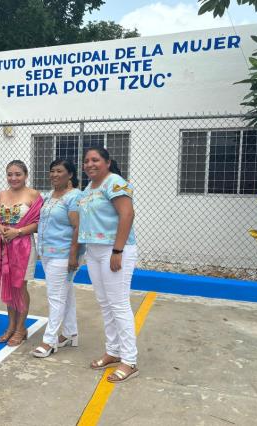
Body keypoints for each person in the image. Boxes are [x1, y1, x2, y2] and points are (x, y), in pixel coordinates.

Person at [78, 147, 139, 383]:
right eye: (86, 161)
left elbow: (127, 215)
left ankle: (129, 360)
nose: (90, 164)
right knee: (105, 304)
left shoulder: (114, 182)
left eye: (95, 160)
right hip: (94, 251)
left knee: (119, 304)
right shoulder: (89, 188)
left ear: (107, 162)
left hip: (114, 250)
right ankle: (113, 351)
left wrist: (117, 250)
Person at [0, 160, 42, 347]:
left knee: (20, 286)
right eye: (10, 174)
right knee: (9, 286)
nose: (13, 178)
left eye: (18, 174)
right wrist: (2, 229)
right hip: (4, 246)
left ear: (26, 175)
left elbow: (39, 222)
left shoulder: (34, 195)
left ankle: (20, 328)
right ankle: (10, 326)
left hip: (23, 245)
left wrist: (17, 232)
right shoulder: (1, 195)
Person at [31, 159, 82, 358]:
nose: (53, 175)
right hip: (47, 252)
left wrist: (73, 255)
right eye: (52, 171)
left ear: (70, 175)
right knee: (65, 293)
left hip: (63, 254)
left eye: (59, 171)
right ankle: (70, 333)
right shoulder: (49, 196)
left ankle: (49, 341)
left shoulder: (74, 197)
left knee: (56, 297)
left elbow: (77, 227)